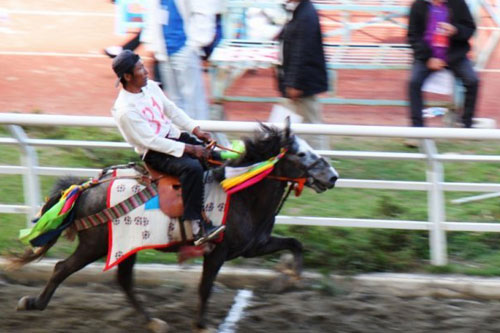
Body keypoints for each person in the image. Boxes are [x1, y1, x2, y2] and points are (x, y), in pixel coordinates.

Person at [110, 50, 225, 245]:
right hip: (155, 153)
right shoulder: (125, 110)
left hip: (174, 138)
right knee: (192, 168)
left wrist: (196, 130)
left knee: (216, 157)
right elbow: (151, 142)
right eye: (140, 69)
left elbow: (171, 110)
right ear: (128, 77)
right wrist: (191, 149)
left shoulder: (151, 87)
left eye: (143, 66)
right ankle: (195, 225)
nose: (146, 71)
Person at [142, 0, 218, 121]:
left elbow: (203, 11)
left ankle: (202, 137)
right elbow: (151, 14)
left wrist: (195, 43)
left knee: (194, 100)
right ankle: (183, 136)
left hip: (184, 48)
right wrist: (153, 45)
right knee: (175, 101)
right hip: (164, 50)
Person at [408, 0, 479, 129]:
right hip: (428, 57)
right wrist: (428, 58)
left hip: (454, 55)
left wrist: (455, 30)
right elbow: (413, 36)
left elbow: (470, 28)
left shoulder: (458, 3)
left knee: (472, 81)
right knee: (414, 83)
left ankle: (467, 124)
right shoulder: (418, 5)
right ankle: (417, 129)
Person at [277, 0, 329, 150]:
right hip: (298, 82)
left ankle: (322, 166)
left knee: (312, 129)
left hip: (301, 84)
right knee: (295, 128)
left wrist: (294, 83)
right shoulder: (300, 10)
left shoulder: (305, 14)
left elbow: (302, 51)